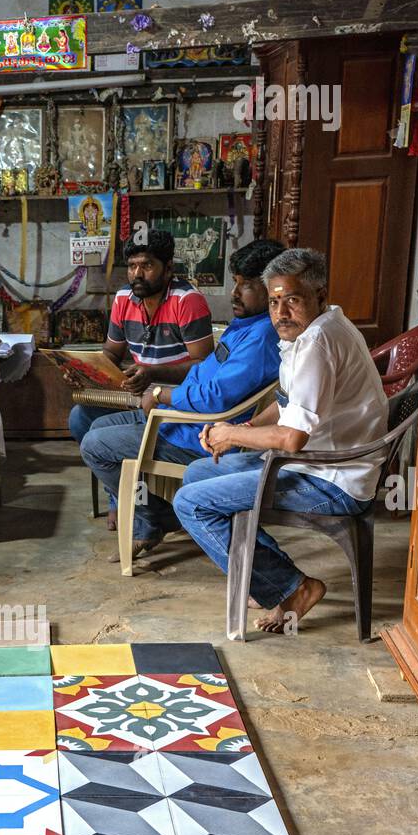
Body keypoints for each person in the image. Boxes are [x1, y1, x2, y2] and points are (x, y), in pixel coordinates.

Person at [173, 247, 389, 633]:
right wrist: (246, 432)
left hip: (334, 480)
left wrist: (233, 431)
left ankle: (293, 587)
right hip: (321, 462)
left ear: (319, 296)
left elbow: (291, 439)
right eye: (274, 301)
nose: (281, 313)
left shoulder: (317, 344)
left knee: (191, 502)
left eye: (292, 300)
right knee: (198, 474)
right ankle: (268, 575)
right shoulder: (320, 326)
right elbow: (286, 400)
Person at [80, 238, 285, 563]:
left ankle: (151, 518)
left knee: (95, 444)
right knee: (92, 422)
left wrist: (161, 394)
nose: (234, 294)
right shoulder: (244, 326)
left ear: (273, 289)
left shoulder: (260, 338)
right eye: (236, 283)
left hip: (194, 436)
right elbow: (206, 374)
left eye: (246, 286)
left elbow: (215, 398)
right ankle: (158, 513)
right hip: (174, 416)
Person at [70, 228, 214, 529]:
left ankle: (145, 510)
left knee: (98, 432)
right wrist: (86, 370)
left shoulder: (187, 300)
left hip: (173, 400)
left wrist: (154, 373)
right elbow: (112, 351)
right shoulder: (124, 298)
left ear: (168, 268)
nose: (137, 273)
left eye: (147, 266)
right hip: (136, 392)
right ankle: (121, 495)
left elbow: (203, 364)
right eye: (132, 266)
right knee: (80, 418)